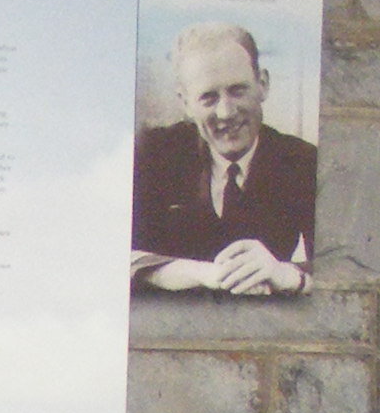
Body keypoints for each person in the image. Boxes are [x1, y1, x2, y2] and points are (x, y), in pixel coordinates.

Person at [131, 22, 316, 295]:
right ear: (186, 103)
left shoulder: (302, 162)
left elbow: (340, 269)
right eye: (208, 97)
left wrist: (287, 274)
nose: (226, 112)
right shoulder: (153, 154)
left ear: (262, 84)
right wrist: (201, 273)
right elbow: (111, 250)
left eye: (237, 90)